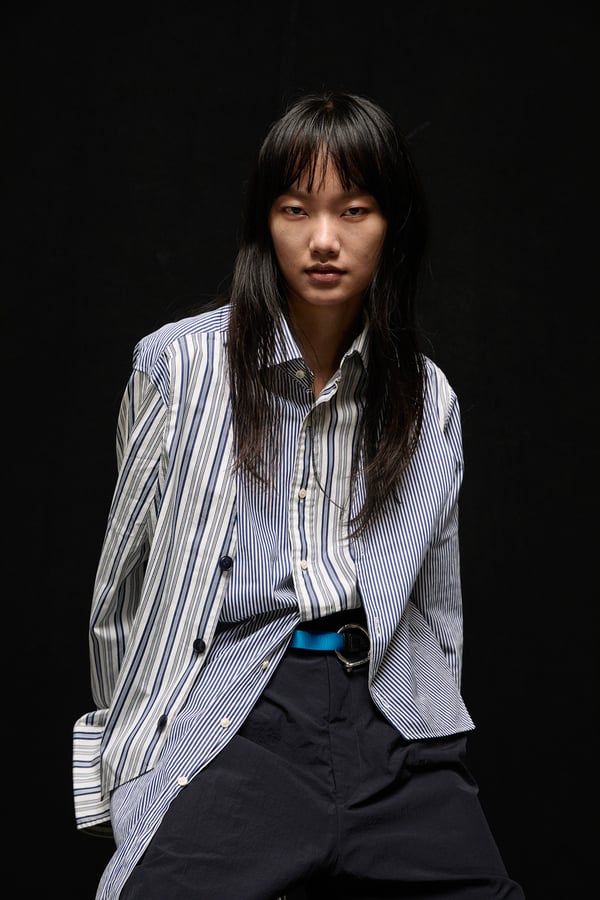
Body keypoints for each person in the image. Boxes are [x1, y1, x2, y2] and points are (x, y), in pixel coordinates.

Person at [72, 90, 526, 900]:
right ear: (265, 224)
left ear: (392, 226)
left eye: (353, 211)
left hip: (389, 720)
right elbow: (120, 592)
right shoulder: (179, 368)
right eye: (295, 210)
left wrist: (432, 732)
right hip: (239, 711)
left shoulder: (428, 398)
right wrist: (127, 759)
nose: (323, 239)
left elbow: (438, 608)